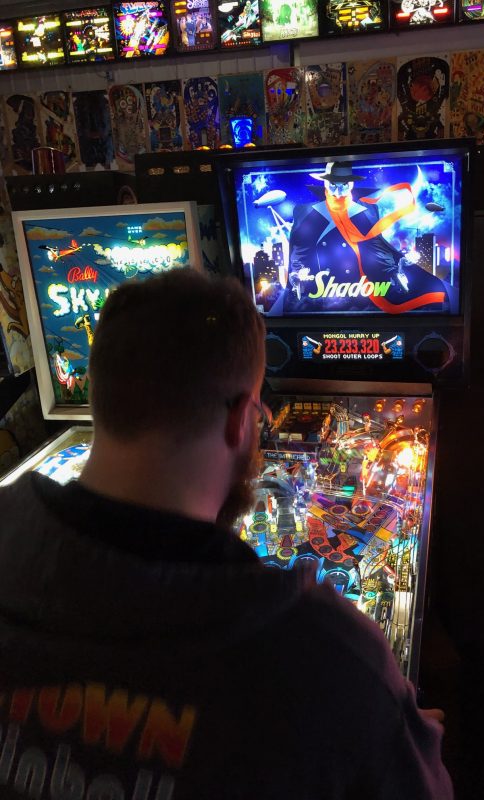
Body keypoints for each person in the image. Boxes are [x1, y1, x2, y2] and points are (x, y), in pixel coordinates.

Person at [0, 269, 452, 799]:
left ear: (98, 396)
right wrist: (387, 721)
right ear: (241, 419)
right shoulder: (330, 656)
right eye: (260, 410)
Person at [285, 160, 450, 315]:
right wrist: (297, 273)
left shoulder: (367, 210)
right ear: (325, 184)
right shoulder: (306, 211)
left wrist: (393, 271)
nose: (338, 192)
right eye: (333, 185)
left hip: (364, 292)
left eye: (344, 185)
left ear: (351, 185)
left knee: (432, 292)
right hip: (323, 295)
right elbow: (300, 249)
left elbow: (376, 248)